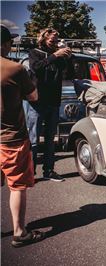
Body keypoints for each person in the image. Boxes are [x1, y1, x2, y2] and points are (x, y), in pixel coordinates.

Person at [1, 25, 45, 247]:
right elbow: (33, 96)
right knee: (17, 186)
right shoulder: (15, 69)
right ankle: (19, 232)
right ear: (6, 44)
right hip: (12, 139)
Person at [26, 28, 71, 181]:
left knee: (51, 138)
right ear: (44, 38)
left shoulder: (58, 55)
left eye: (56, 40)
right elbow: (36, 68)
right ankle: (30, 173)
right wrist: (54, 55)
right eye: (52, 40)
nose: (55, 42)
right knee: (34, 139)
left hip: (54, 101)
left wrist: (68, 57)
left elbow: (68, 73)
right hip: (38, 102)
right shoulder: (35, 52)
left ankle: (49, 171)